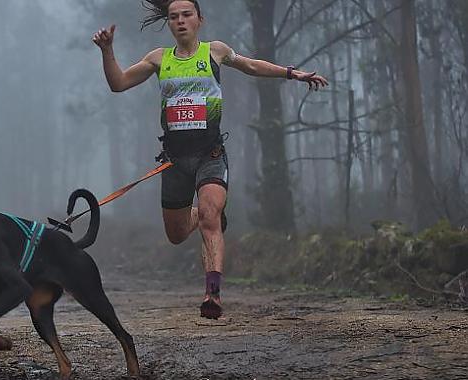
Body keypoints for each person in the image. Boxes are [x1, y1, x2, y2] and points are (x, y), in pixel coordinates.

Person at [92, 0, 328, 319]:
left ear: (199, 20)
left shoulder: (214, 51)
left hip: (210, 154)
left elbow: (252, 65)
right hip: (174, 160)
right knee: (176, 234)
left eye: (187, 15)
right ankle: (204, 214)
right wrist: (107, 50)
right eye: (174, 17)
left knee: (210, 215)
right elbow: (118, 84)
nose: (180, 21)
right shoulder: (159, 59)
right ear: (169, 23)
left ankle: (212, 294)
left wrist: (292, 73)